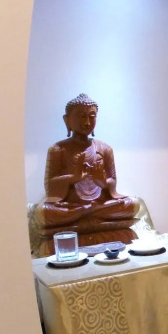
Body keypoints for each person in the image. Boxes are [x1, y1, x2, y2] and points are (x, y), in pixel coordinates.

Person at [35, 94, 139, 254]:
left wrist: (102, 181)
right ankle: (89, 216)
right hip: (73, 208)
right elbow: (50, 187)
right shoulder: (57, 149)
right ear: (67, 120)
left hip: (99, 207)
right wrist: (73, 178)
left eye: (92, 116)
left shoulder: (105, 149)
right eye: (81, 116)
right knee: (43, 213)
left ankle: (87, 217)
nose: (87, 122)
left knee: (133, 204)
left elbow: (112, 184)